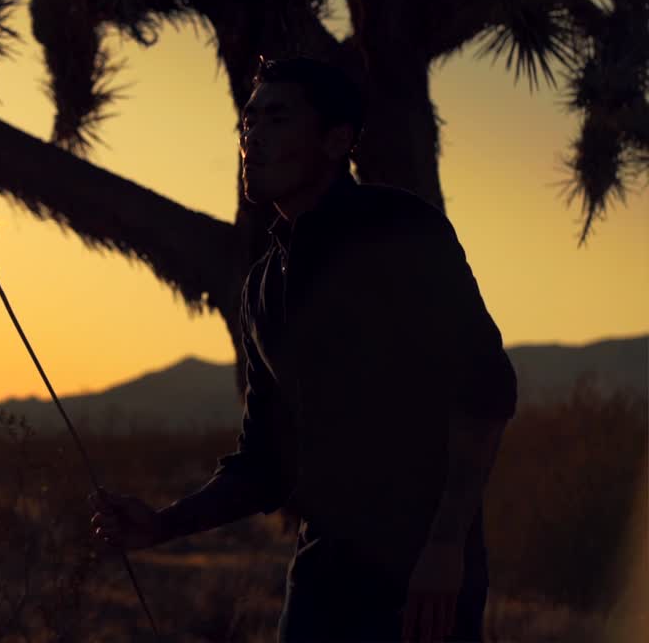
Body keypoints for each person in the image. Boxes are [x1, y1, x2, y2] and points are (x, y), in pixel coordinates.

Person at [89, 56, 517, 643]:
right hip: (321, 577)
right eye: (248, 123)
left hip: (421, 574)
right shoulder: (265, 285)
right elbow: (266, 462)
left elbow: (486, 385)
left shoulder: (398, 228)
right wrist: (163, 525)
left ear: (335, 140)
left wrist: (447, 544)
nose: (252, 138)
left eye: (278, 120)